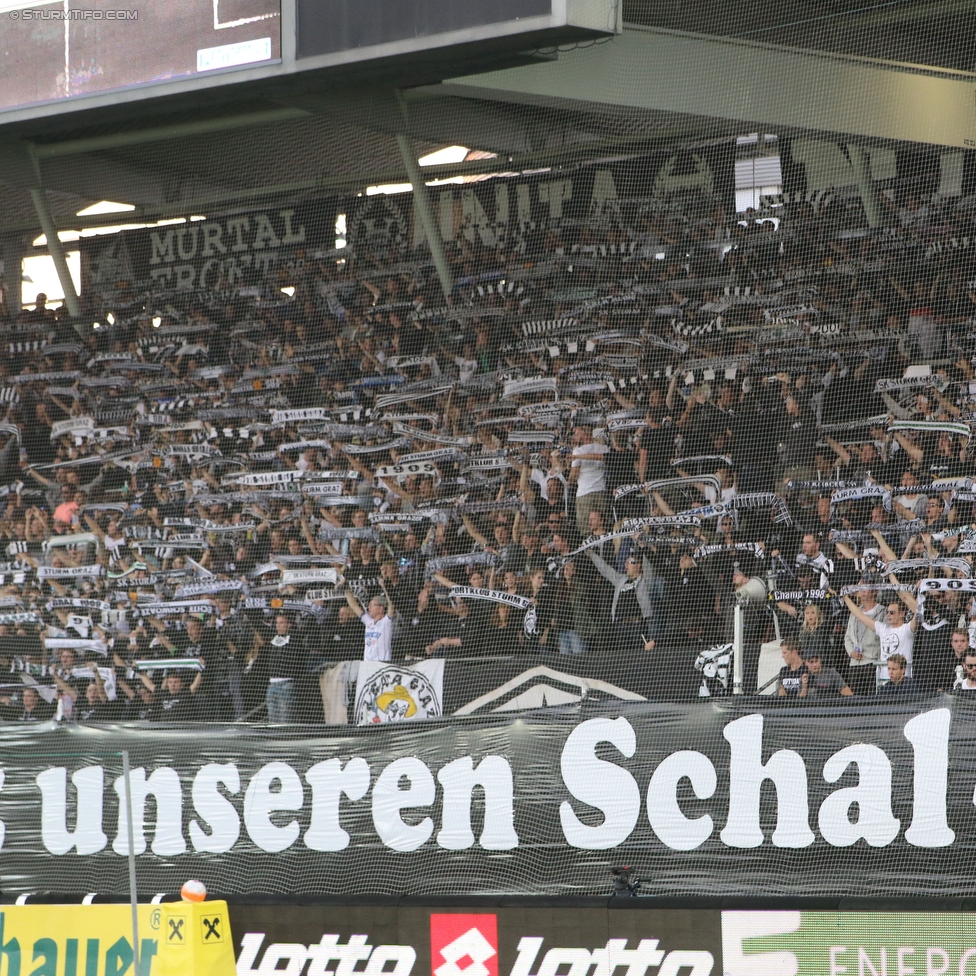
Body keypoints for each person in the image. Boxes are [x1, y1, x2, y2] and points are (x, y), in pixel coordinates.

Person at [842, 593, 918, 683]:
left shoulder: (907, 628)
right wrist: (845, 596)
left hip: (904, 680)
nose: (888, 615)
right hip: (884, 681)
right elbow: (860, 616)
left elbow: (918, 612)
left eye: (892, 612)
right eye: (887, 612)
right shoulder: (883, 628)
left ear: (901, 614)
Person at [844, 585, 884, 696]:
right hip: (855, 664)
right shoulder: (854, 612)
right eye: (860, 588)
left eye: (865, 588)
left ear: (874, 591)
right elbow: (847, 637)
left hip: (872, 663)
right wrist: (851, 652)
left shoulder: (883, 612)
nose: (861, 591)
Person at [346, 588, 393, 662]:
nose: (369, 607)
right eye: (369, 605)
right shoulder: (368, 621)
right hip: (367, 666)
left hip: (382, 665)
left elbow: (391, 605)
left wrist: (384, 586)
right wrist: (346, 588)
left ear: (381, 608)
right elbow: (354, 606)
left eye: (372, 605)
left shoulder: (386, 622)